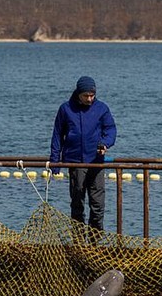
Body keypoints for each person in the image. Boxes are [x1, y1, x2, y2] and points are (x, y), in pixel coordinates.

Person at [50, 76, 117, 232]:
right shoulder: (66, 109)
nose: (89, 99)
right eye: (86, 95)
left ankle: (95, 242)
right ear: (78, 94)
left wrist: (105, 144)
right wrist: (55, 162)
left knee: (98, 205)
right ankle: (78, 242)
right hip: (75, 162)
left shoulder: (102, 108)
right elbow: (57, 135)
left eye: (92, 95)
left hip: (96, 161)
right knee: (77, 204)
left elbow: (111, 130)